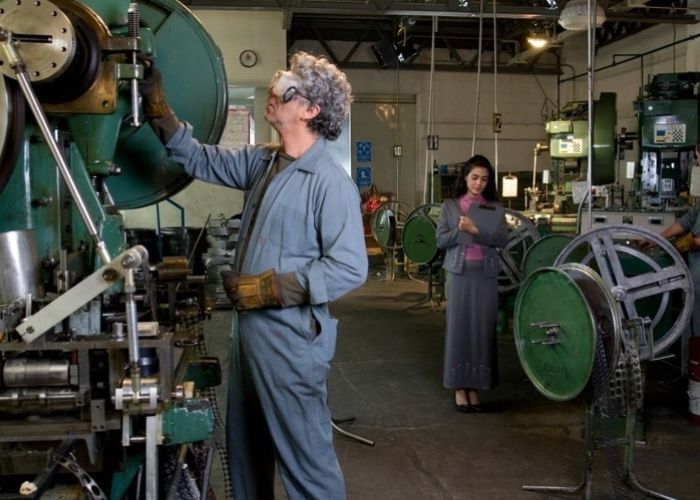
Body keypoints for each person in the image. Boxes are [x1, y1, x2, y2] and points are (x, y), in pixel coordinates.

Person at [140, 51, 368, 499]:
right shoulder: (264, 162)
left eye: (285, 92)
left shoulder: (329, 181)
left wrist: (271, 287)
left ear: (310, 109)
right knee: (245, 451)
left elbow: (349, 267)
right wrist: (157, 108)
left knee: (306, 459)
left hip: (291, 338)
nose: (273, 94)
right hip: (248, 336)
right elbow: (198, 158)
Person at [436, 155, 508, 413]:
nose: (479, 183)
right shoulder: (450, 206)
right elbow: (441, 241)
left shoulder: (492, 207)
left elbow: (502, 240)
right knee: (459, 328)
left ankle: (475, 387)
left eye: (484, 179)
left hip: (485, 276)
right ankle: (459, 387)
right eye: (475, 177)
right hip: (459, 274)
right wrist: (460, 230)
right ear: (465, 177)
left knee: (482, 330)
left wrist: (477, 231)